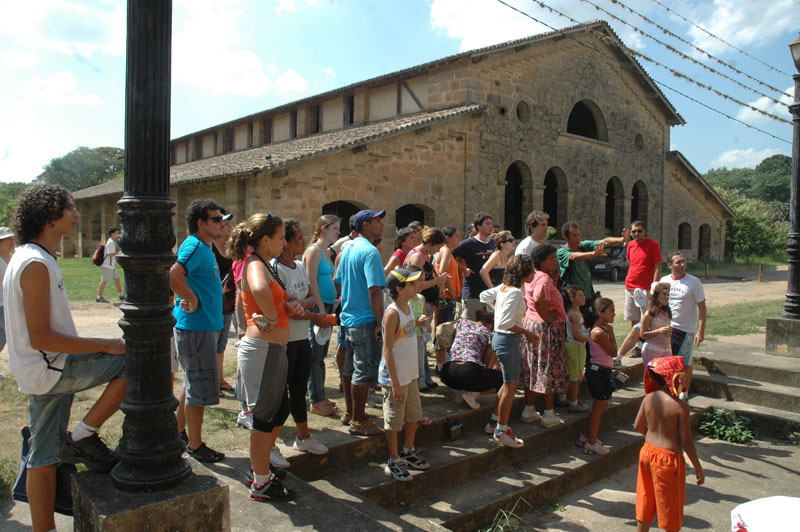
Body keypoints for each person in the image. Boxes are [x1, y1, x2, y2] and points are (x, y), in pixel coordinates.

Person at [5, 185, 126, 531]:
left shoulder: (31, 257)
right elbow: (41, 336)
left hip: (39, 370)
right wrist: (106, 344)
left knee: (42, 456)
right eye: (69, 209)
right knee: (136, 365)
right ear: (48, 216)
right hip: (51, 368)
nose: (76, 216)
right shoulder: (35, 263)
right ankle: (84, 436)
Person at [229, 211, 302, 502]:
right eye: (282, 238)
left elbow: (265, 296)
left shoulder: (263, 265)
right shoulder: (255, 264)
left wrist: (288, 307)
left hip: (273, 349)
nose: (284, 243)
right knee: (265, 417)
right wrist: (271, 314)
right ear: (265, 239)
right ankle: (260, 482)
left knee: (279, 410)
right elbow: (258, 290)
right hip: (263, 349)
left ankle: (259, 467)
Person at [169, 198, 227, 463]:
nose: (222, 223)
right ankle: (195, 444)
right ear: (201, 223)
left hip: (203, 328)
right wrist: (191, 298)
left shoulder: (205, 247)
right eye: (216, 219)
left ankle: (178, 432)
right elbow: (173, 275)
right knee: (198, 392)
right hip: (195, 329)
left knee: (192, 385)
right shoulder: (193, 245)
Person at [271, 219, 329, 456]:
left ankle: (303, 436)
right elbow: (285, 308)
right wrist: (309, 313)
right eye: (299, 238)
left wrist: (302, 307)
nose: (304, 242)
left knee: (298, 390)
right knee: (278, 394)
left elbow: (308, 298)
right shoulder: (275, 268)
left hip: (301, 339)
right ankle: (270, 443)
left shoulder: (298, 266)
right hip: (283, 340)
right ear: (285, 243)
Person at [634, 356, 704, 532]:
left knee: (646, 499)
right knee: (670, 506)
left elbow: (638, 426)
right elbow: (687, 442)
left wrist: (652, 436)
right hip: (668, 460)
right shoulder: (680, 406)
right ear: (673, 377)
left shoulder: (649, 398)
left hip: (647, 452)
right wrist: (697, 467)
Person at [334, 209, 387, 436]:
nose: (381, 225)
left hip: (347, 319)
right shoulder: (370, 252)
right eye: (377, 221)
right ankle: (358, 419)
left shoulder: (347, 250)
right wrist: (380, 322)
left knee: (349, 368)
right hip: (364, 320)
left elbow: (337, 282)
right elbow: (375, 291)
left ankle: (350, 412)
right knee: (363, 372)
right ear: (366, 225)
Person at [479, 255, 538, 448]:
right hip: (507, 340)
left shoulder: (505, 289)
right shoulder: (514, 293)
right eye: (531, 269)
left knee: (507, 384)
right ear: (523, 272)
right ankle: (501, 430)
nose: (534, 273)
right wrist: (526, 332)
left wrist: (498, 307)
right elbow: (505, 322)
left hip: (500, 339)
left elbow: (483, 296)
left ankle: (494, 421)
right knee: (511, 386)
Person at [379, 268, 431, 481]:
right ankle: (393, 459)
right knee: (394, 420)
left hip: (409, 376)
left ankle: (408, 451)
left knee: (413, 416)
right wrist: (395, 383)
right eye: (411, 284)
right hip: (396, 378)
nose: (416, 286)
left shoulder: (408, 307)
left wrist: (416, 324)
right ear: (399, 289)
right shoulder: (392, 313)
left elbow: (405, 331)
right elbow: (388, 349)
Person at [522, 244, 568, 428]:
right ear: (542, 261)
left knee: (531, 366)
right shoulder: (543, 278)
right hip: (547, 328)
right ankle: (548, 414)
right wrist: (547, 316)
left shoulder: (533, 276)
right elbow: (539, 298)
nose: (555, 261)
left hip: (532, 325)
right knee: (549, 366)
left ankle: (529, 409)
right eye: (552, 258)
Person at [302, 214, 340, 417]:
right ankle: (315, 398)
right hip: (319, 308)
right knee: (315, 354)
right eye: (335, 228)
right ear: (324, 228)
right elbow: (311, 282)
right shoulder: (314, 251)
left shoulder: (326, 251)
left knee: (321, 354)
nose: (338, 232)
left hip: (327, 305)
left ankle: (320, 394)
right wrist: (321, 309)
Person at [557, 221, 629, 325]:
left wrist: (621, 239)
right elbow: (574, 256)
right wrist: (593, 254)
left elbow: (604, 241)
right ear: (565, 237)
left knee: (591, 326)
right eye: (574, 235)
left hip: (588, 297)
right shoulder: (562, 252)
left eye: (578, 234)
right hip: (573, 301)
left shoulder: (583, 246)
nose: (578, 238)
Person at [660, 252, 706, 401]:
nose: (682, 265)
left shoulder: (694, 282)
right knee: (670, 361)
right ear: (670, 265)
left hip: (687, 328)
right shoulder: (664, 280)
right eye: (678, 262)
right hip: (669, 327)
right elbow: (659, 303)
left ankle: (684, 392)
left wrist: (701, 331)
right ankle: (671, 387)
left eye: (683, 262)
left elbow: (702, 307)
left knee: (685, 362)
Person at [580, 297, 618, 455]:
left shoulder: (600, 330)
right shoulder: (598, 332)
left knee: (602, 405)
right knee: (598, 407)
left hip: (603, 371)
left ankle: (587, 436)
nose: (614, 315)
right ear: (601, 313)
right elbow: (613, 352)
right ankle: (591, 443)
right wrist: (611, 333)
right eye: (611, 311)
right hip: (598, 372)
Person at [625, 221, 662, 358]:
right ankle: (637, 345)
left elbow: (658, 265)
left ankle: (646, 344)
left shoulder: (653, 244)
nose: (636, 234)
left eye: (639, 231)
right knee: (633, 318)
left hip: (646, 287)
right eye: (633, 231)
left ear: (645, 231)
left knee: (646, 317)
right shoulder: (630, 245)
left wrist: (654, 285)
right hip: (630, 286)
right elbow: (631, 262)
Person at [453, 212, 495, 320]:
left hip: (489, 293)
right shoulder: (468, 243)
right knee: (471, 325)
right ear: (479, 226)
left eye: (491, 223)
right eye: (487, 224)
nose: (491, 226)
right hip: (472, 293)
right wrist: (463, 269)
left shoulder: (493, 243)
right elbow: (451, 256)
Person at [211, 209, 235, 394]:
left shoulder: (232, 249)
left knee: (221, 342)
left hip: (227, 303)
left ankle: (218, 378)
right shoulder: (209, 249)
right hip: (213, 303)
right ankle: (212, 380)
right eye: (225, 223)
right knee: (211, 342)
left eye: (228, 223)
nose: (228, 226)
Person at [433, 226, 462, 367]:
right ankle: (441, 365)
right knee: (443, 330)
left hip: (449, 295)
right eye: (456, 235)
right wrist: (451, 289)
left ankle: (442, 363)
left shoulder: (448, 252)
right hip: (446, 296)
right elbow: (442, 272)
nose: (459, 238)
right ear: (448, 238)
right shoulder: (445, 251)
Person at [564, 286, 591, 412]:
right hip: (576, 347)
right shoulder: (573, 315)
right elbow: (576, 335)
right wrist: (590, 338)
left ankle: (566, 397)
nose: (583, 297)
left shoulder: (577, 313)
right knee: (576, 376)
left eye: (583, 295)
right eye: (580, 295)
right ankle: (574, 403)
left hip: (577, 346)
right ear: (572, 299)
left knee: (572, 373)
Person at [640, 282, 672, 366]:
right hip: (652, 349)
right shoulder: (649, 314)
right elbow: (643, 334)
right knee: (651, 377)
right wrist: (659, 331)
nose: (667, 297)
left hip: (665, 349)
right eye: (664, 294)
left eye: (668, 295)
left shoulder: (667, 312)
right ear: (656, 296)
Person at [96, 226, 124, 303]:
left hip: (111, 265)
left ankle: (121, 295)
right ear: (112, 234)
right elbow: (110, 254)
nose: (117, 234)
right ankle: (99, 297)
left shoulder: (110, 241)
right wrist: (118, 253)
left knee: (117, 278)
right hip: (108, 266)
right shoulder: (111, 242)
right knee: (104, 281)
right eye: (116, 233)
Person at [0, 226, 15, 352]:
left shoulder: (15, 258)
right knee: (9, 333)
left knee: (4, 334)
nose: (12, 242)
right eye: (7, 239)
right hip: (1, 303)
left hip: (11, 301)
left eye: (12, 238)